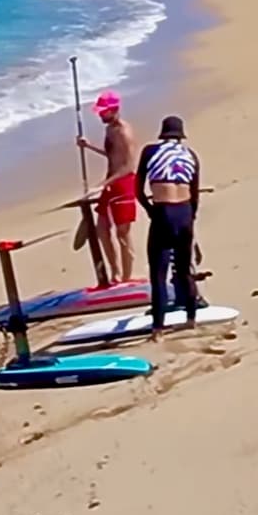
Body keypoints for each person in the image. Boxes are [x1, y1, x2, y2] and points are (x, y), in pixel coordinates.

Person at [135, 116, 200, 339]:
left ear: (162, 134)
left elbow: (138, 190)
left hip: (163, 213)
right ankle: (191, 319)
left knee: (158, 274)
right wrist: (191, 219)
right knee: (183, 271)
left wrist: (150, 210)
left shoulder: (150, 151)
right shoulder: (191, 155)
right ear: (181, 136)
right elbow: (195, 195)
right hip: (185, 213)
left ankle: (158, 329)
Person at [77, 90, 137, 285]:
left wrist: (102, 185)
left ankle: (127, 278)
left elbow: (129, 166)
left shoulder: (124, 132)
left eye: (104, 111)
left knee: (123, 233)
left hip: (124, 184)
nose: (100, 115)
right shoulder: (109, 129)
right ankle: (115, 273)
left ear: (114, 109)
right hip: (111, 183)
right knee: (102, 228)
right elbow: (113, 156)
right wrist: (89, 146)